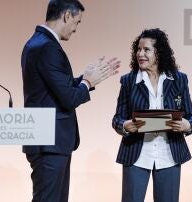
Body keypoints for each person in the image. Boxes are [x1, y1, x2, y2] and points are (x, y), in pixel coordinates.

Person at [21, 0, 120, 201]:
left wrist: (87, 79)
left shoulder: (37, 43)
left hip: (48, 141)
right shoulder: (47, 47)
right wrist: (87, 83)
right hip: (49, 142)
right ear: (67, 15)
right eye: (77, 22)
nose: (76, 29)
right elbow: (68, 98)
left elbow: (57, 88)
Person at [112, 28, 192, 202]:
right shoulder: (128, 81)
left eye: (146, 50)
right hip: (137, 155)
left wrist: (186, 125)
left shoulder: (179, 79)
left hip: (169, 155)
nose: (140, 54)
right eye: (138, 49)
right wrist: (125, 126)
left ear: (159, 53)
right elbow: (117, 119)